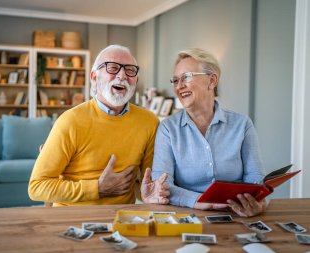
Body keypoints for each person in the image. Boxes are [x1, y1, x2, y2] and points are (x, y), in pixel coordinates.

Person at [29, 45, 169, 206]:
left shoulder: (149, 122)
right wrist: (98, 188)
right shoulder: (70, 121)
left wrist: (148, 194)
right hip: (72, 222)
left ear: (136, 80)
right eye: (113, 68)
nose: (122, 75)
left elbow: (145, 184)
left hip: (121, 220)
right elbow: (36, 187)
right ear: (94, 77)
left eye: (130, 70)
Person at [151, 48, 266, 217]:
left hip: (237, 215)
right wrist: (201, 201)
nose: (179, 85)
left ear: (212, 81)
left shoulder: (242, 124)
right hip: (186, 216)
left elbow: (255, 176)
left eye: (187, 77)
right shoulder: (168, 129)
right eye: (175, 80)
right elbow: (162, 185)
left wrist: (257, 201)